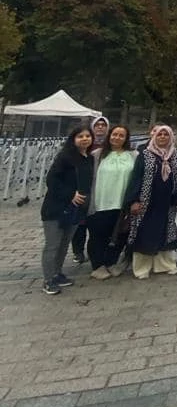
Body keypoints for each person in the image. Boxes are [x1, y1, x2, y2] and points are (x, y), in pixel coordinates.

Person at [126, 125, 177, 280]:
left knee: (167, 233)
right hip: (147, 201)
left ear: (170, 137)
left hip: (168, 202)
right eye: (159, 134)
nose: (162, 137)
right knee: (144, 233)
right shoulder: (145, 154)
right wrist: (134, 200)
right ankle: (142, 268)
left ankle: (165, 265)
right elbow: (136, 178)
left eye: (165, 134)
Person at [40, 123, 94, 295]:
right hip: (56, 208)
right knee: (53, 244)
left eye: (87, 136)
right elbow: (52, 180)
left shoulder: (89, 158)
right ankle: (48, 279)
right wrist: (70, 194)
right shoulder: (65, 156)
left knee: (64, 243)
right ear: (73, 139)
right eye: (80, 136)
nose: (85, 139)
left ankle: (57, 273)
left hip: (76, 209)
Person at [86, 124, 137, 280]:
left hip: (122, 203)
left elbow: (137, 179)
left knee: (121, 234)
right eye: (115, 134)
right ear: (109, 136)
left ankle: (111, 261)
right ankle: (97, 265)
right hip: (101, 201)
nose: (117, 138)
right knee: (98, 235)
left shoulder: (133, 155)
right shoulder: (97, 155)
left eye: (121, 135)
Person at [71, 115, 109, 264]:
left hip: (101, 187)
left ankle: (96, 251)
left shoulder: (109, 145)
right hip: (83, 189)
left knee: (96, 223)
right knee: (80, 223)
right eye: (97, 125)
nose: (100, 127)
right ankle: (78, 251)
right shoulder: (83, 146)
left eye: (103, 125)